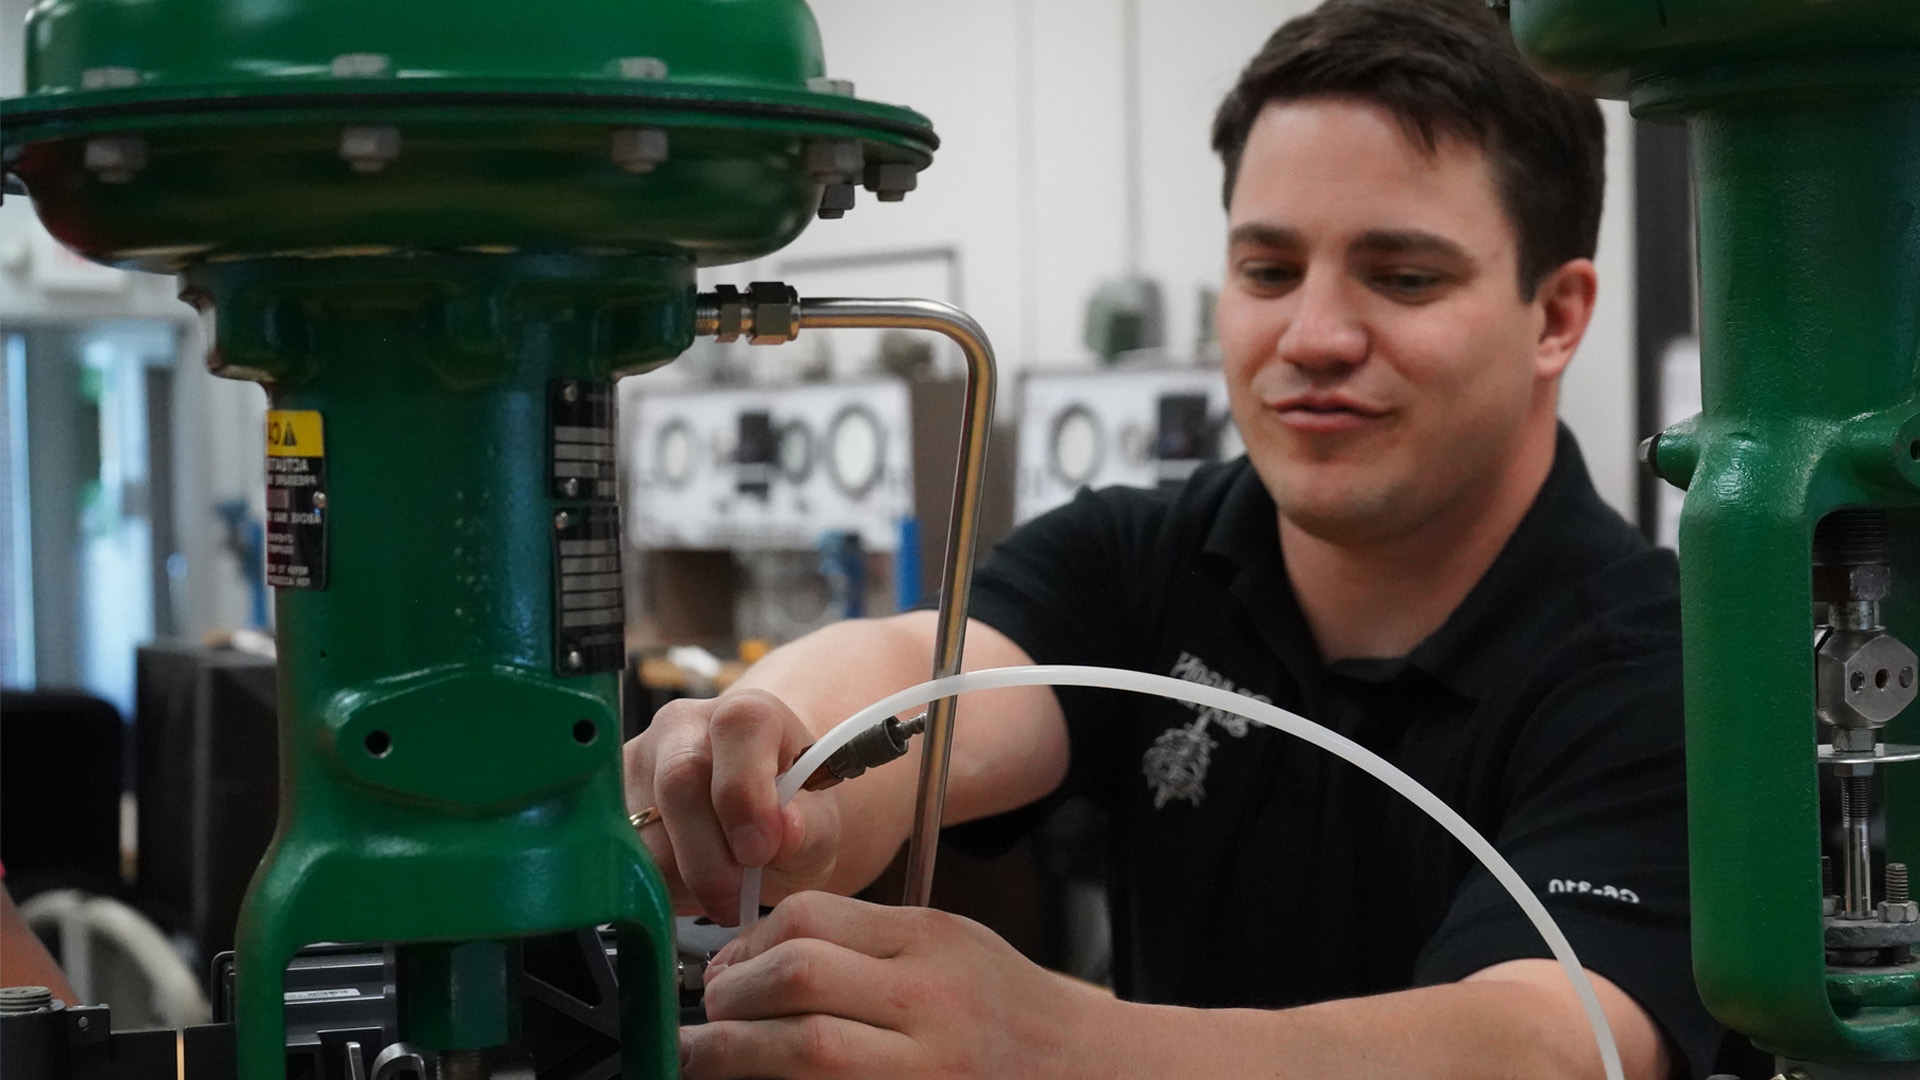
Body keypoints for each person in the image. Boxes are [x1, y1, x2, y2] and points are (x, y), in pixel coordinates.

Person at [625, 1, 1718, 1075]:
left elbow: (1544, 1042)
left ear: (1559, 315)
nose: (1314, 335)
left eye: (1404, 277)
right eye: (1267, 270)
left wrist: (1057, 1044)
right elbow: (934, 684)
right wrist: (777, 759)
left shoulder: (1657, 670)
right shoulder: (1142, 556)